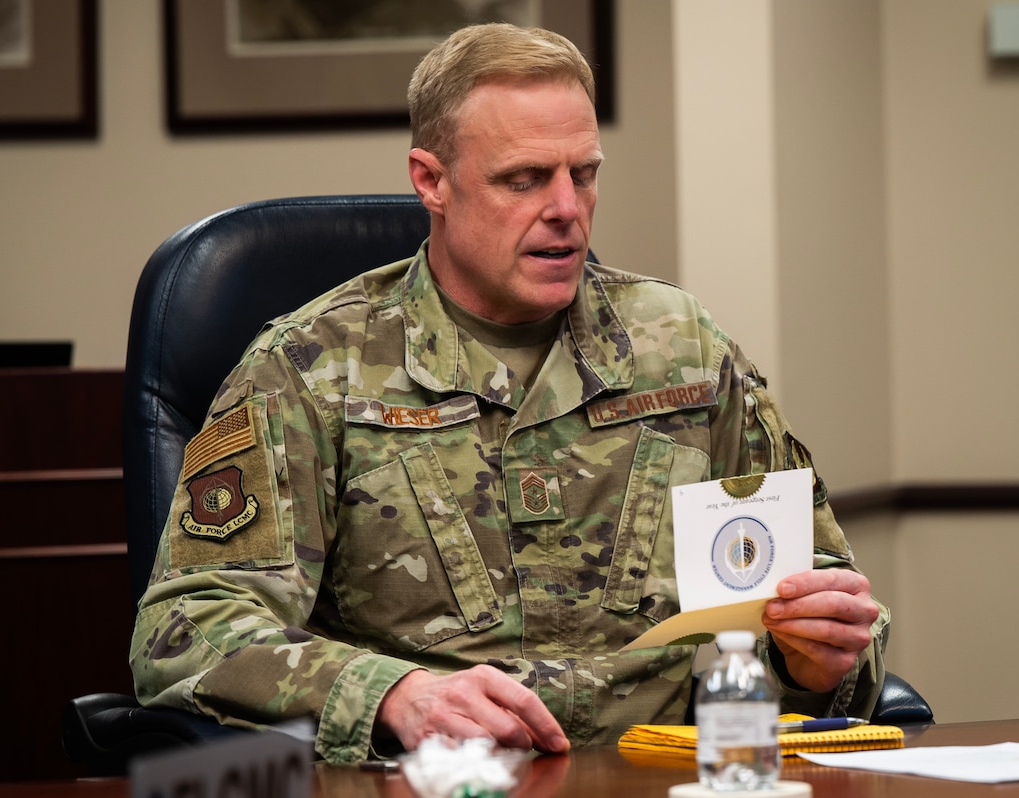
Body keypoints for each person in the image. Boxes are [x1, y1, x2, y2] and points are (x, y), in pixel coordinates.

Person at [130, 22, 889, 765]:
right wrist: (393, 695)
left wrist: (814, 658)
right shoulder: (312, 367)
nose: (566, 208)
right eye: (523, 179)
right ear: (431, 181)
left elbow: (825, 585)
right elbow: (184, 629)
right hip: (441, 780)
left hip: (653, 775)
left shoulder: (681, 347)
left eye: (582, 174)